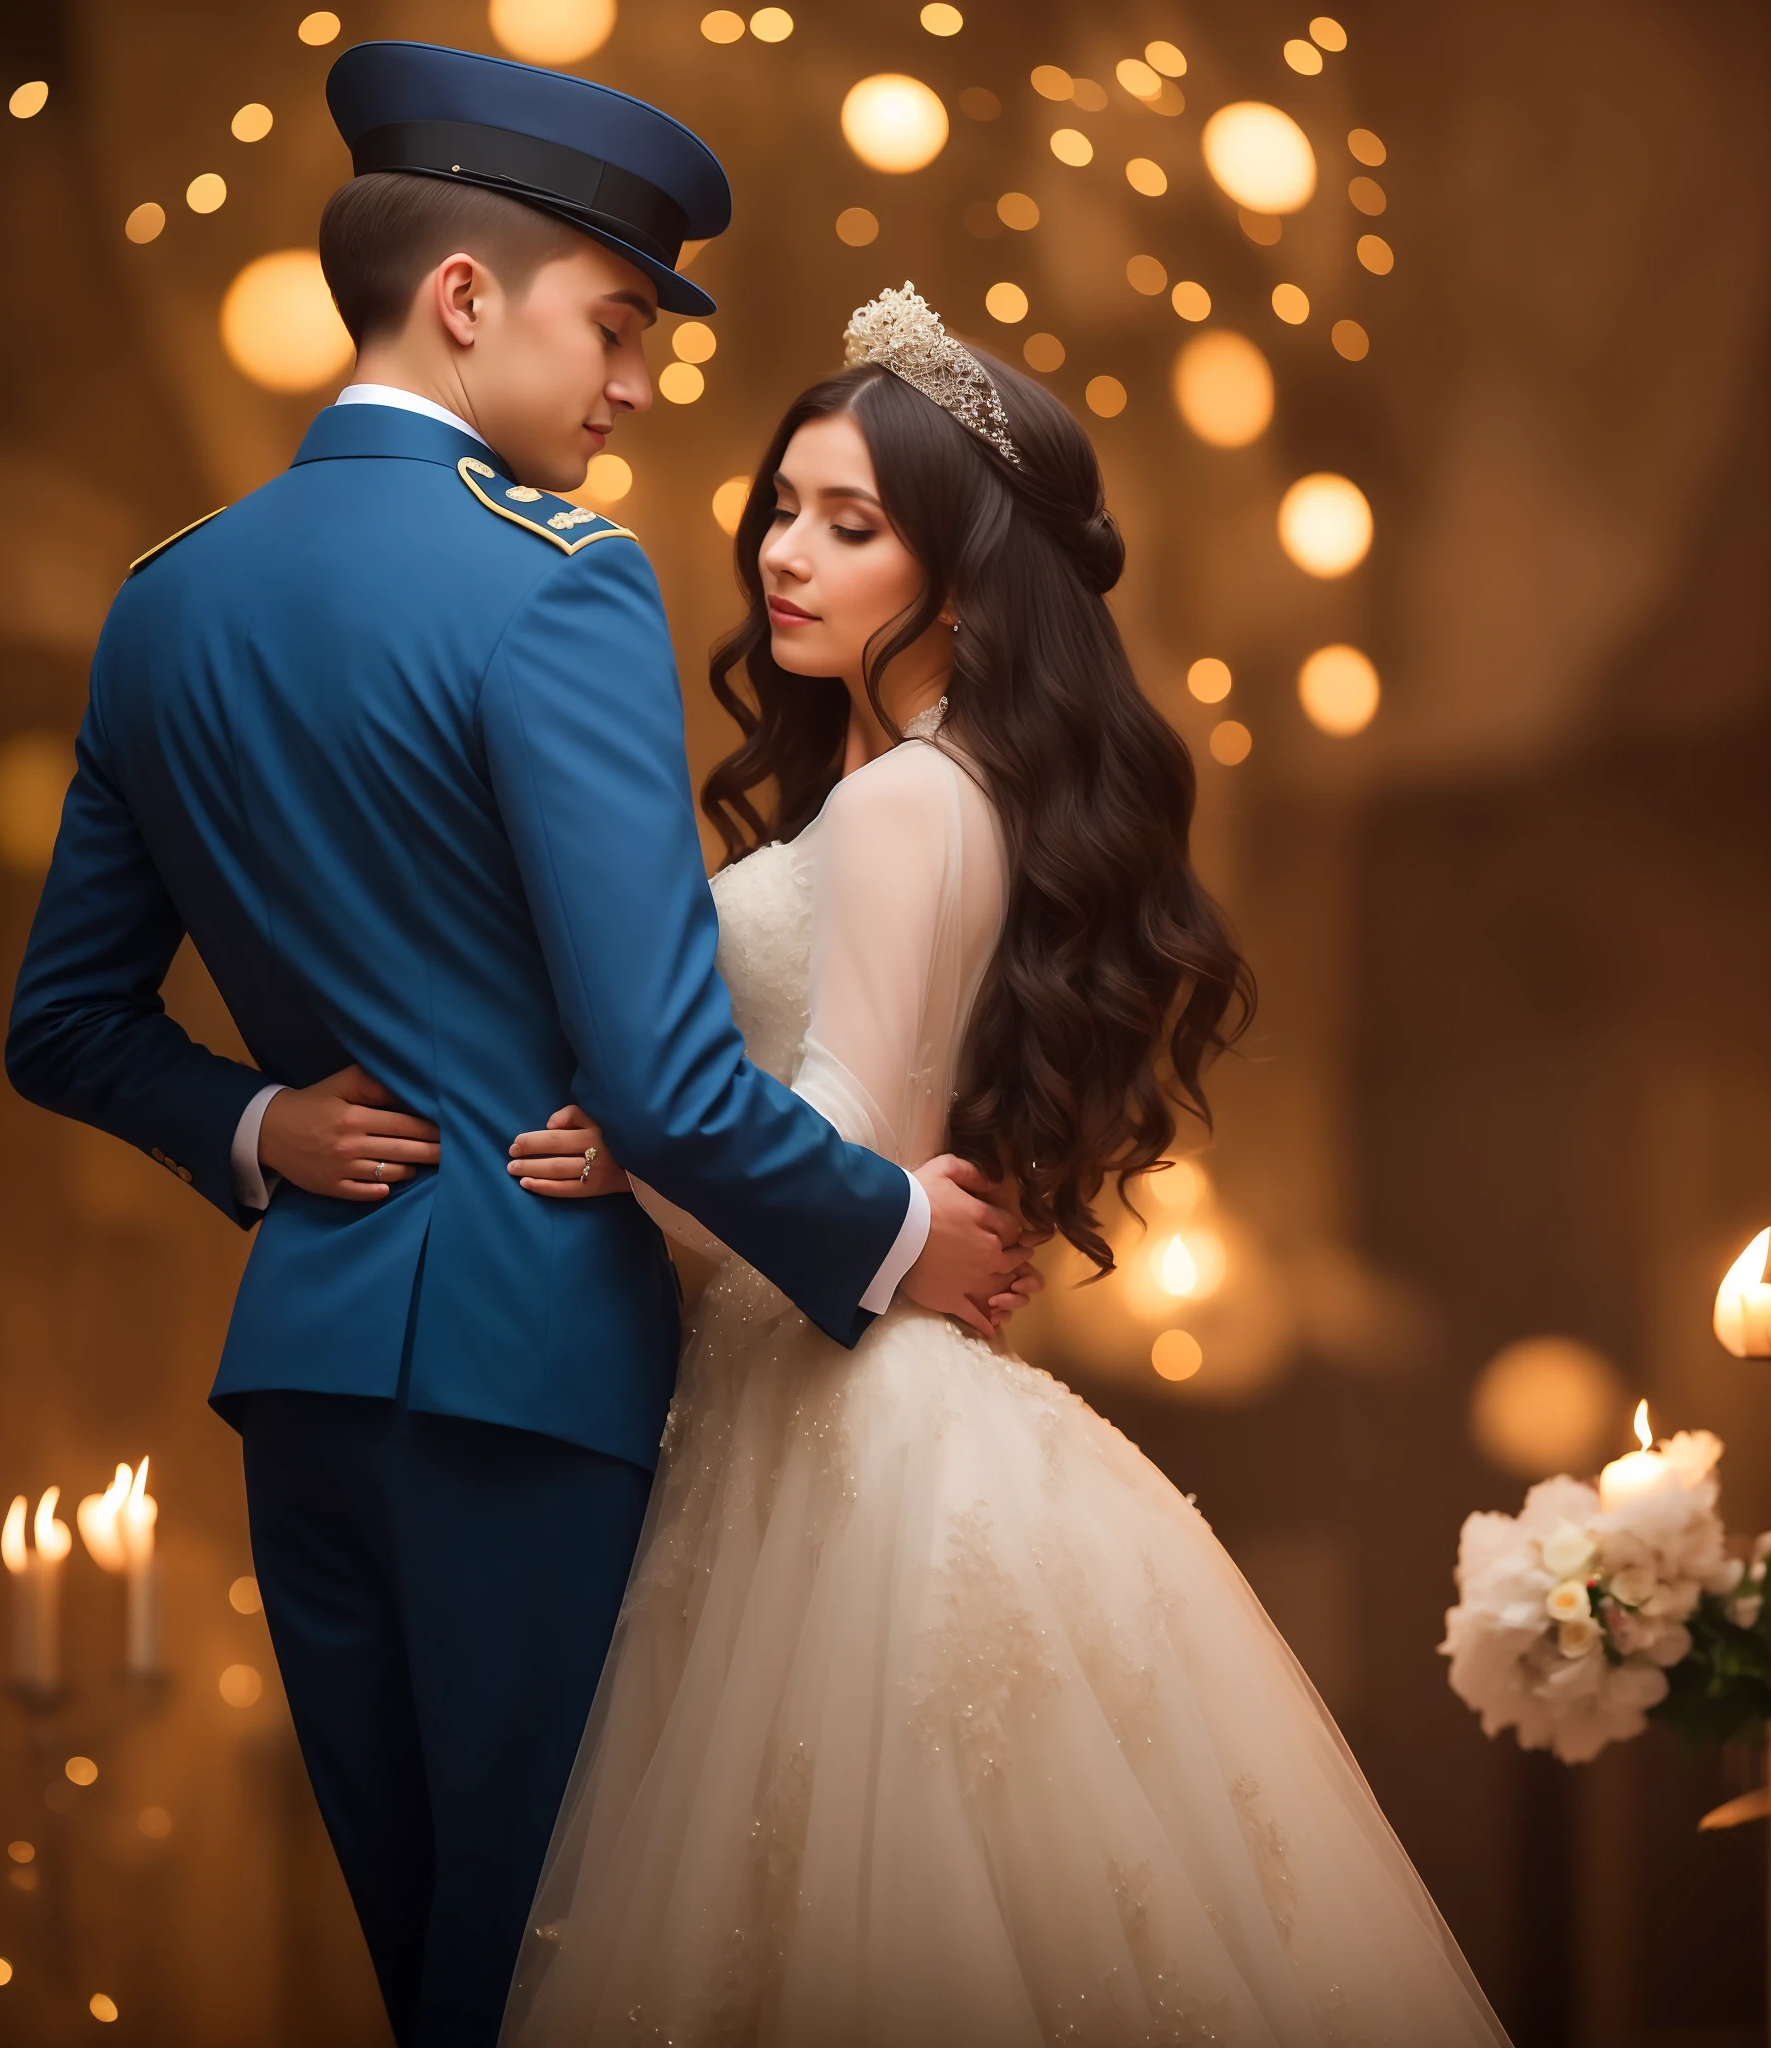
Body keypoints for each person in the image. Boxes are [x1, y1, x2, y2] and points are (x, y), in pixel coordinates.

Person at [2, 47, 1034, 2046]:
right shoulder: (557, 585)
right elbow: (650, 1080)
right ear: (465, 300)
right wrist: (897, 1231)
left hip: (301, 1380)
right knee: (552, 1963)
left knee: (436, 1979)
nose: (641, 384)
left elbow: (61, 1025)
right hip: (533, 1367)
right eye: (619, 322)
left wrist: (252, 1121)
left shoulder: (164, 601)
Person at [499, 287, 1514, 2046]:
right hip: (861, 1379)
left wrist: (638, 1154)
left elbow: (843, 1125)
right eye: (780, 509)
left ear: (963, 580)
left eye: (851, 523)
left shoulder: (902, 801)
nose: (783, 556)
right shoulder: (963, 785)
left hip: (833, 1412)